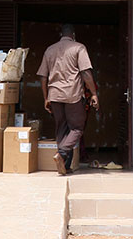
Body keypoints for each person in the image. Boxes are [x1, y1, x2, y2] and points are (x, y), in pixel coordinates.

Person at [36, 23, 99, 175]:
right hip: (73, 95)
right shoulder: (79, 48)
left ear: (61, 35)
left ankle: (66, 166)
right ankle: (62, 154)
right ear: (73, 35)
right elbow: (85, 73)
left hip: (55, 95)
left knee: (62, 129)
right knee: (77, 128)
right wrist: (94, 93)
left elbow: (43, 77)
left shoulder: (49, 50)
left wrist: (46, 97)